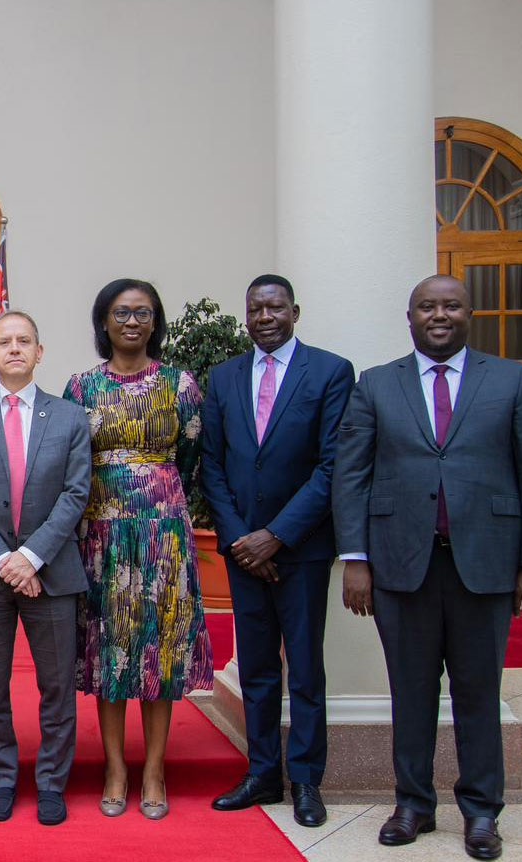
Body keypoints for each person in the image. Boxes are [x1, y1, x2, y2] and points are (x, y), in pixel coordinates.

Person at [333, 275, 522, 860]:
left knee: (478, 691)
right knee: (409, 691)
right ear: (409, 317)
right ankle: (412, 803)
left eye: (451, 305)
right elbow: (351, 475)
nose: (440, 314)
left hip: (485, 565)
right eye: (427, 306)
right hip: (398, 565)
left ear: (469, 314)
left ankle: (482, 811)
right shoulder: (377, 384)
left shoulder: (511, 380)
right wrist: (355, 559)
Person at [200, 274, 353, 827]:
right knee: (259, 670)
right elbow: (212, 465)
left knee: (307, 670)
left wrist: (277, 535)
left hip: (303, 550)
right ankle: (263, 773)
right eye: (255, 309)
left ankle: (307, 780)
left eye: (275, 307)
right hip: (244, 552)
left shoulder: (331, 372)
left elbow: (332, 465)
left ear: (294, 310)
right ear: (246, 315)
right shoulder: (224, 377)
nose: (264, 317)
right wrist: (244, 538)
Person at [63, 280, 213, 821]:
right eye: (121, 312)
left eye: (142, 312)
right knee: (110, 651)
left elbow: (192, 457)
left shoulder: (180, 384)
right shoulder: (80, 388)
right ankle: (114, 767)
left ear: (155, 321)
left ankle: (153, 768)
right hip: (99, 538)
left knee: (157, 647)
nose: (131, 321)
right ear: (103, 321)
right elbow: (68, 460)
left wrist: (158, 499)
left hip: (162, 536)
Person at [0, 310, 91, 827]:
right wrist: (3, 559)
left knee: (55, 688)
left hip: (51, 574)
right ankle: (3, 778)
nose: (13, 350)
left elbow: (76, 494)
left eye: (23, 341)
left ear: (39, 352)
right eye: (3, 342)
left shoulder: (71, 417)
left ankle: (51, 783)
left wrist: (30, 557)